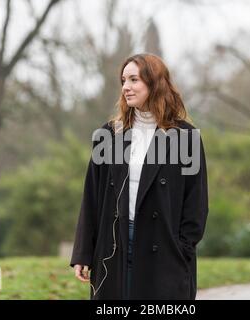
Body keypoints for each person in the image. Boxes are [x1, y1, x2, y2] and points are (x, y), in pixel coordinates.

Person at [70, 53, 209, 300]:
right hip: (115, 242)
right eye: (123, 80)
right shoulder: (110, 134)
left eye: (134, 79)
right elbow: (91, 197)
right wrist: (83, 252)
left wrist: (183, 248)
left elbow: (196, 203)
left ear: (154, 83)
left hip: (164, 246)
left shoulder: (185, 137)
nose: (126, 87)